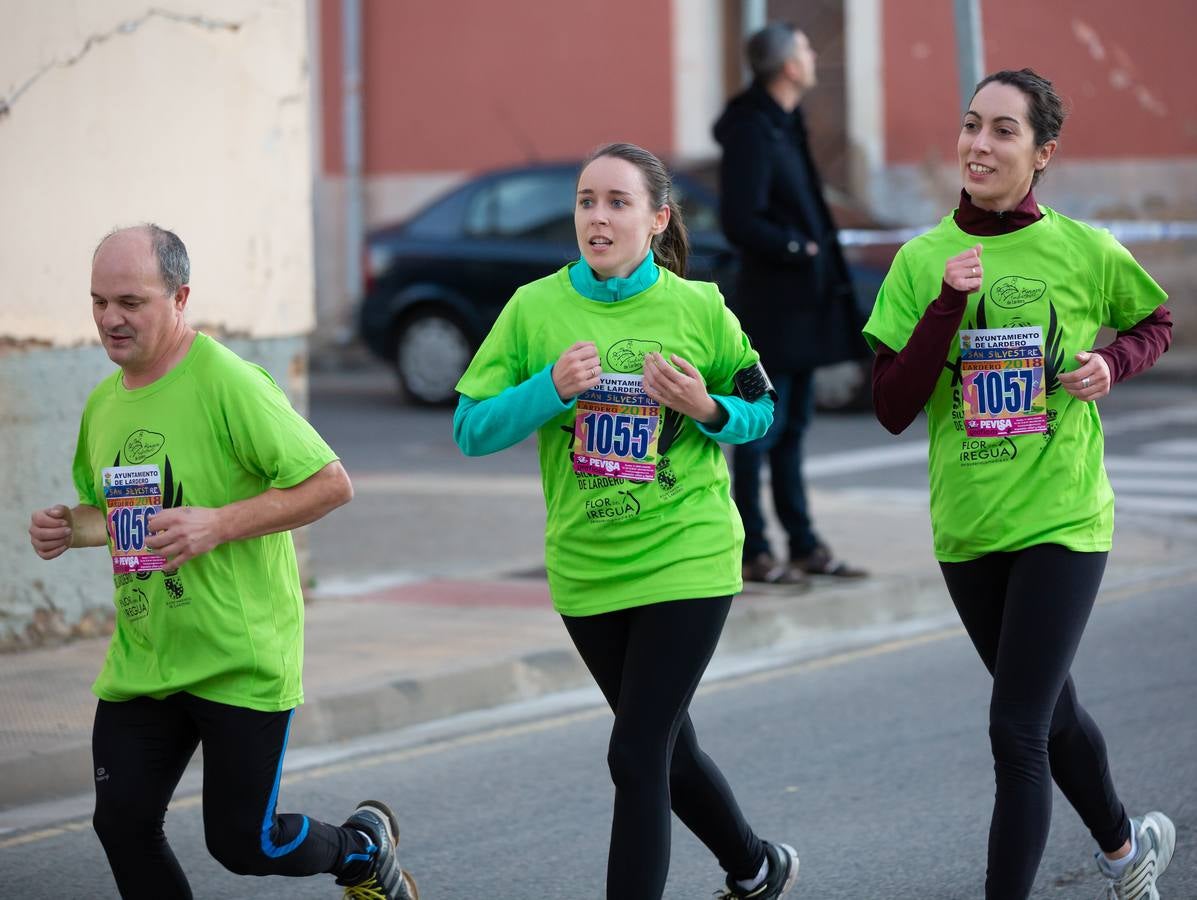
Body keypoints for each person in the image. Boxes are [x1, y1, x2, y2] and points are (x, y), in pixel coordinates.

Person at [27, 225, 418, 900]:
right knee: (122, 823)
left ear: (180, 298)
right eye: (98, 301)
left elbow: (329, 483)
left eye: (130, 301)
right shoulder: (103, 404)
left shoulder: (228, 382)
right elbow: (123, 518)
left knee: (243, 842)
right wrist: (70, 527)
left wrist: (219, 524)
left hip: (238, 654)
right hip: (147, 654)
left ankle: (360, 851)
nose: (110, 319)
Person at [454, 143, 798, 900]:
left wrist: (705, 408)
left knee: (636, 753)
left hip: (688, 555)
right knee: (666, 751)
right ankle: (754, 865)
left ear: (657, 218)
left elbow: (763, 410)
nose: (597, 217)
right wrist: (548, 388)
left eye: (616, 202)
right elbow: (470, 428)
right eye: (585, 201)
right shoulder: (534, 309)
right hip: (588, 567)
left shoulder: (699, 307)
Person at [863, 69, 1175, 899]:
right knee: (1050, 711)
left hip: (1063, 517)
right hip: (967, 525)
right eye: (971, 125)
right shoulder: (922, 259)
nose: (978, 144)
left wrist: (1112, 361)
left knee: (1016, 729)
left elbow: (1156, 320)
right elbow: (892, 405)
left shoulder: (1083, 249)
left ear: (1041, 154)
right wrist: (942, 305)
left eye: (1003, 130)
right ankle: (1123, 847)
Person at [714, 22, 868, 587]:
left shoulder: (785, 122)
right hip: (772, 310)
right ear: (788, 67)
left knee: (795, 427)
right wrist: (795, 246)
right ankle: (754, 548)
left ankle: (802, 543)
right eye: (806, 48)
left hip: (804, 306)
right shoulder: (753, 129)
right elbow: (740, 219)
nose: (813, 55)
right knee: (761, 430)